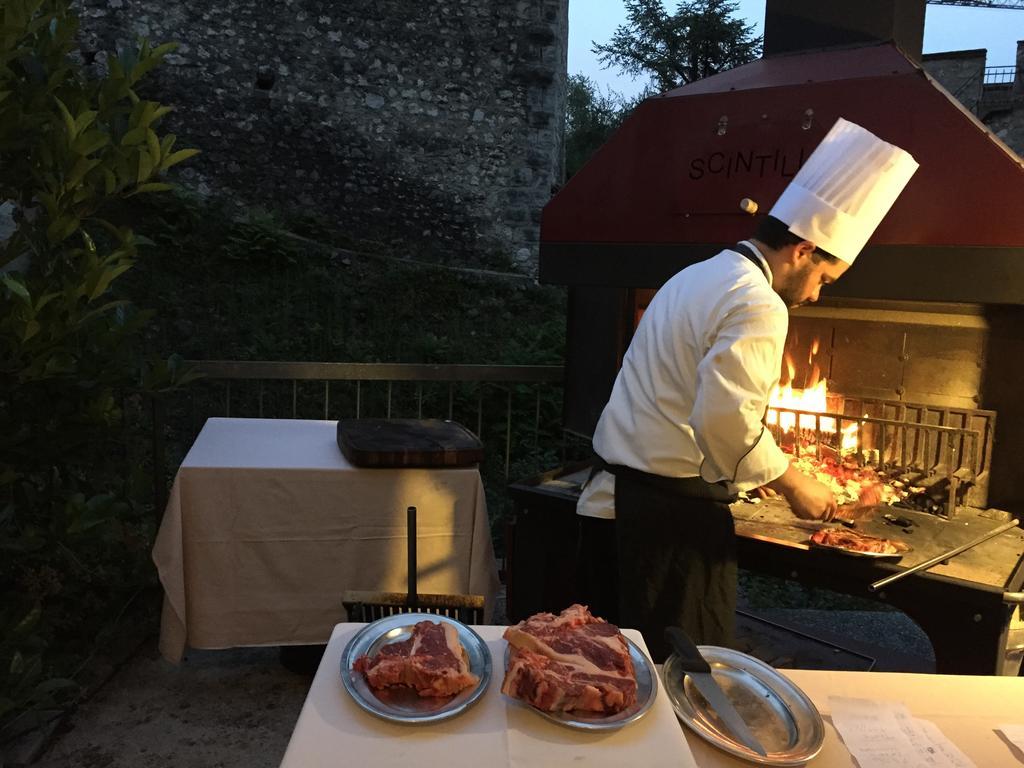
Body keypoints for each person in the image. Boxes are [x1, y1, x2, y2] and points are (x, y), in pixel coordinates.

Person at [576, 117, 919, 662]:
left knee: (616, 672)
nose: (816, 296)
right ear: (804, 249)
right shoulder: (759, 302)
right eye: (824, 280)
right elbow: (725, 422)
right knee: (681, 678)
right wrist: (793, 482)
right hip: (671, 524)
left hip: (617, 504)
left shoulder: (693, 276)